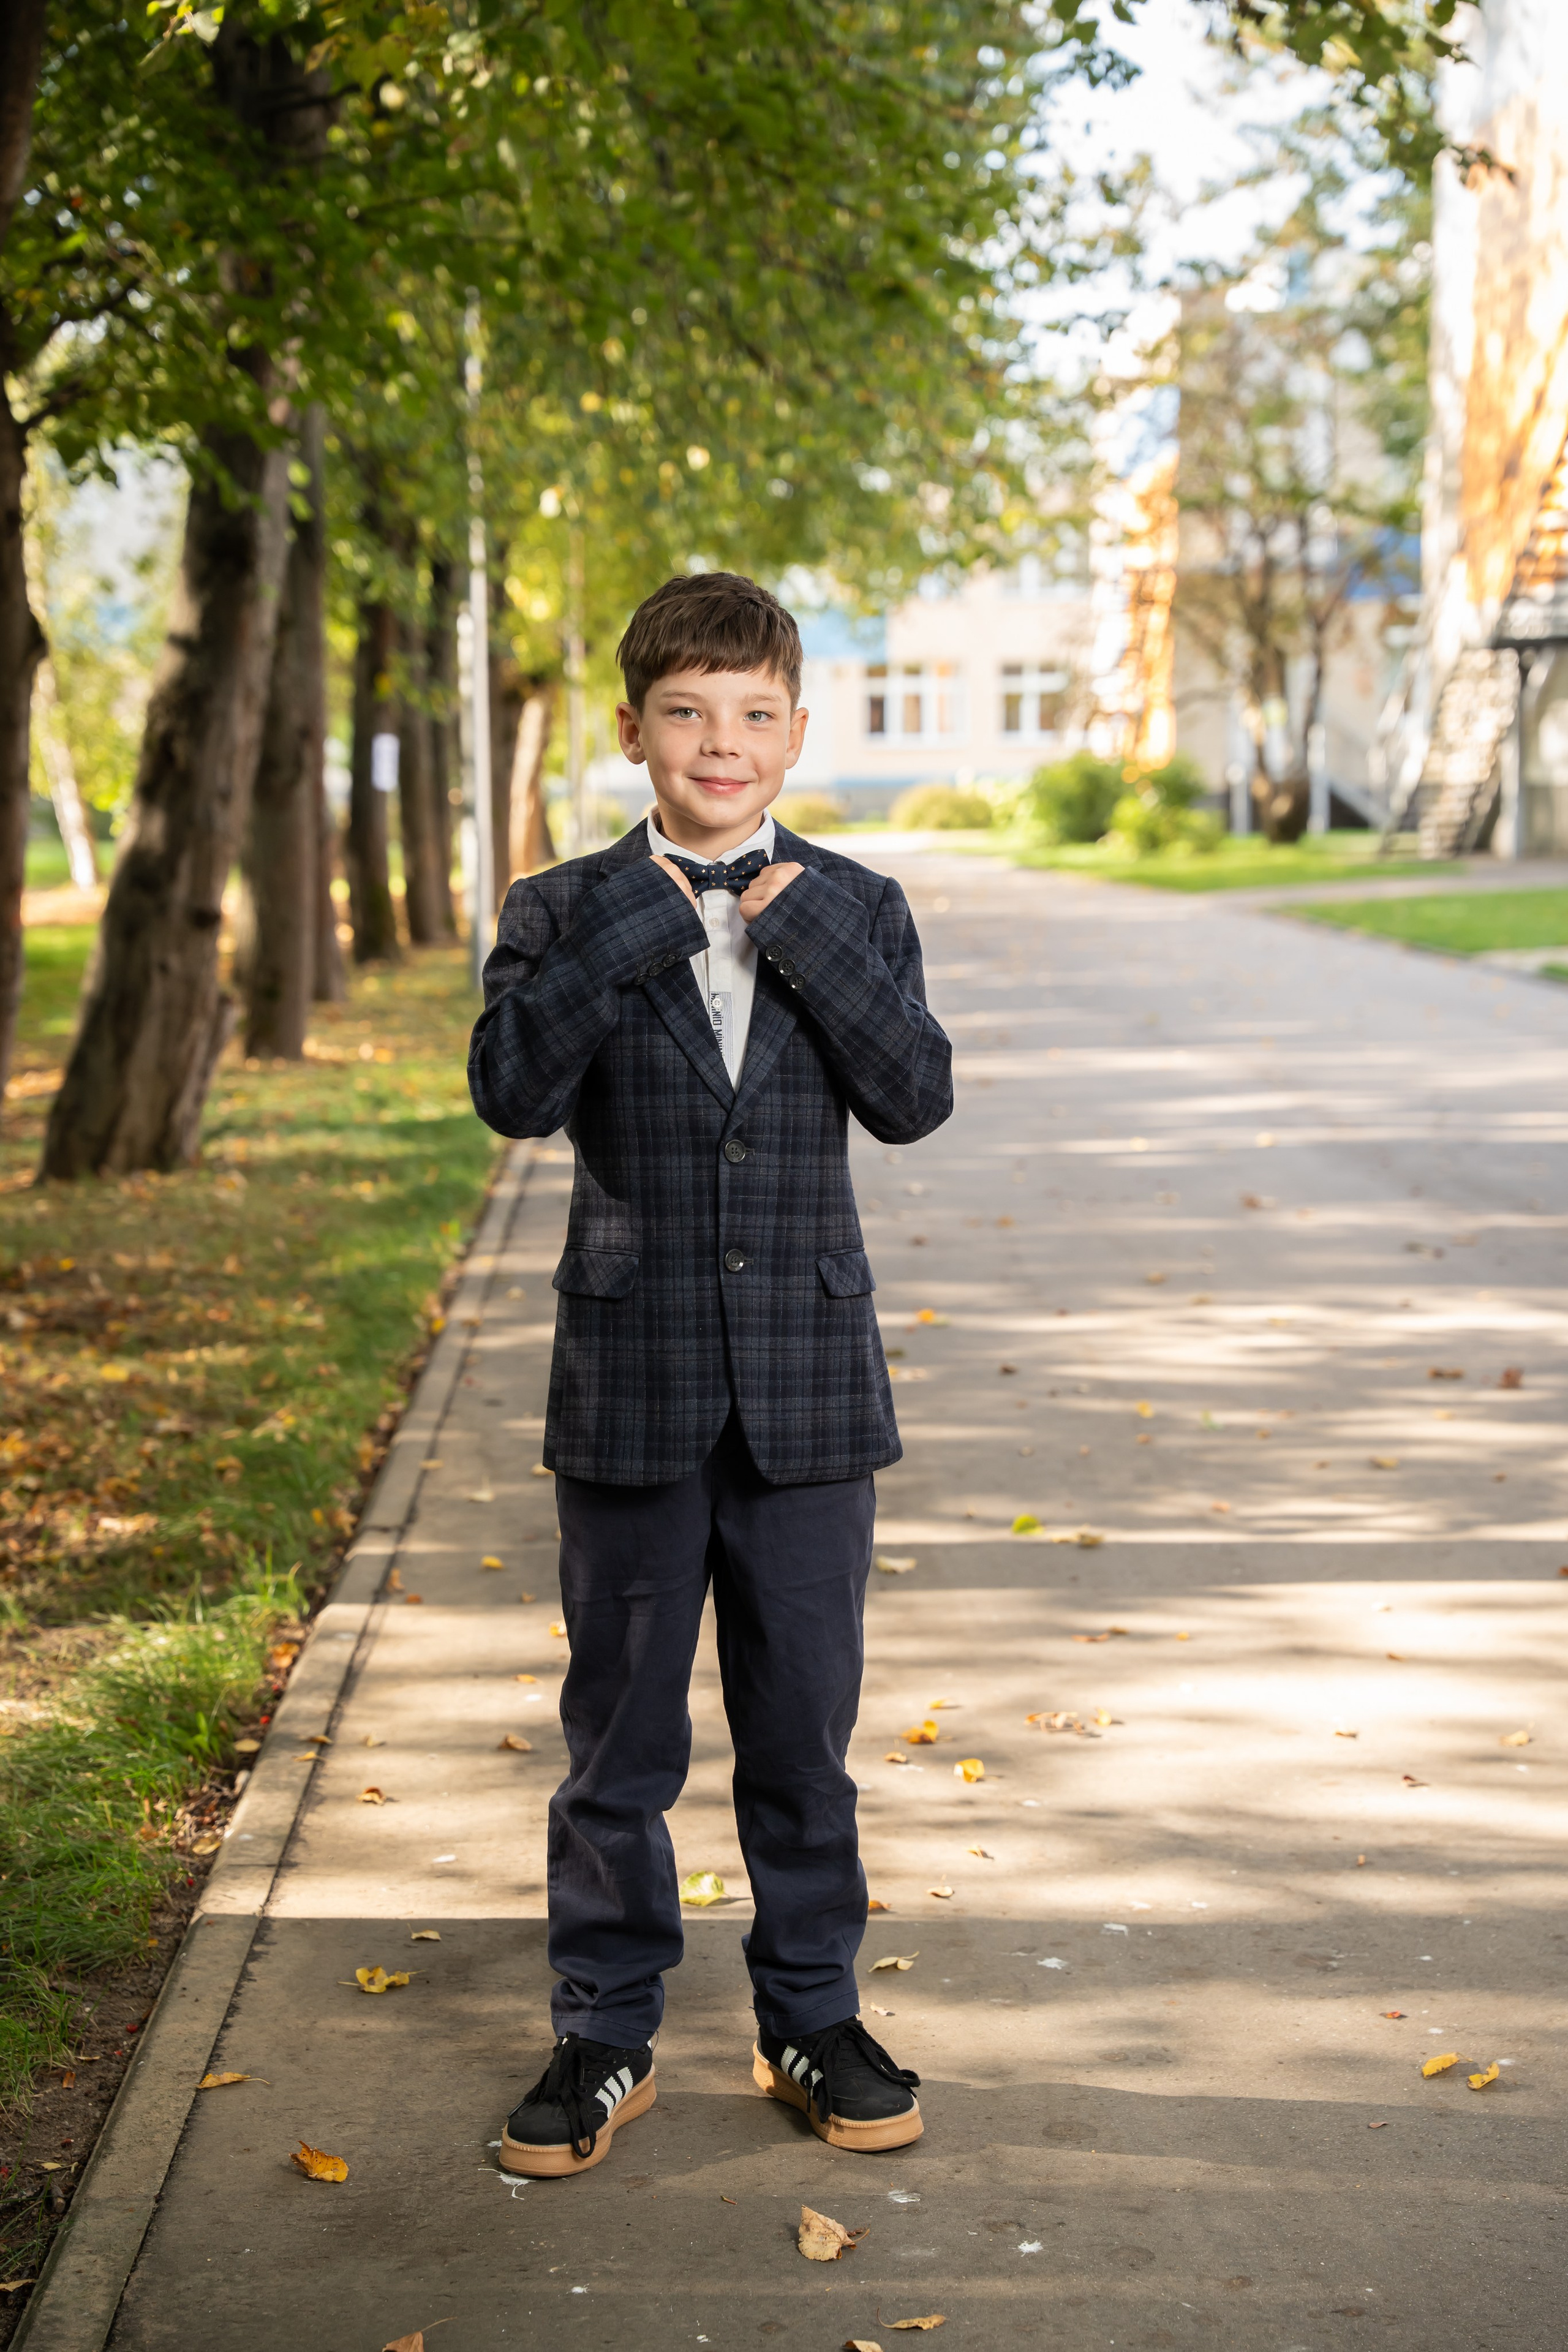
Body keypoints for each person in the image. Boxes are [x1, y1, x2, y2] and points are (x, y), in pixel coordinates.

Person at [468, 570, 953, 2177]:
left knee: (803, 1734)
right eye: (687, 712)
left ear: (798, 733)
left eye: (754, 715)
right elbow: (513, 1096)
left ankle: (811, 2014)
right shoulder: (558, 910)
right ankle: (605, 2034)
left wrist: (786, 920)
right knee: (619, 1743)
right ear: (634, 732)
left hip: (811, 1392)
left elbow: (914, 1098)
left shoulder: (858, 904)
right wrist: (643, 923)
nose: (720, 743)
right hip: (633, 1386)